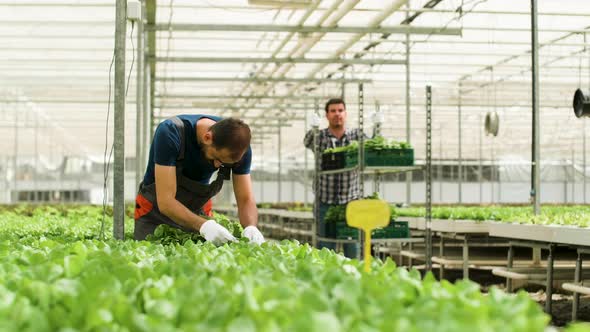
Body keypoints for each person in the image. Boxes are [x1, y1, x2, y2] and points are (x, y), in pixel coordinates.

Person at [134, 114, 264, 245]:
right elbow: (166, 202)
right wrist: (204, 226)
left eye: (225, 164)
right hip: (154, 211)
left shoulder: (238, 148)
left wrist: (251, 227)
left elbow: (245, 198)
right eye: (216, 158)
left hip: (196, 211)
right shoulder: (170, 133)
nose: (218, 166)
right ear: (207, 138)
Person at [303, 98, 365, 258]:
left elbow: (370, 146)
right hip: (325, 201)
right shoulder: (320, 136)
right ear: (327, 115)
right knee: (325, 247)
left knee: (353, 246)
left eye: (340, 110)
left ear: (345, 113)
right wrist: (314, 127)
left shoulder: (356, 135)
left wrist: (377, 127)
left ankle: (355, 277)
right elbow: (307, 141)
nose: (337, 114)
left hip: (351, 200)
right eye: (333, 111)